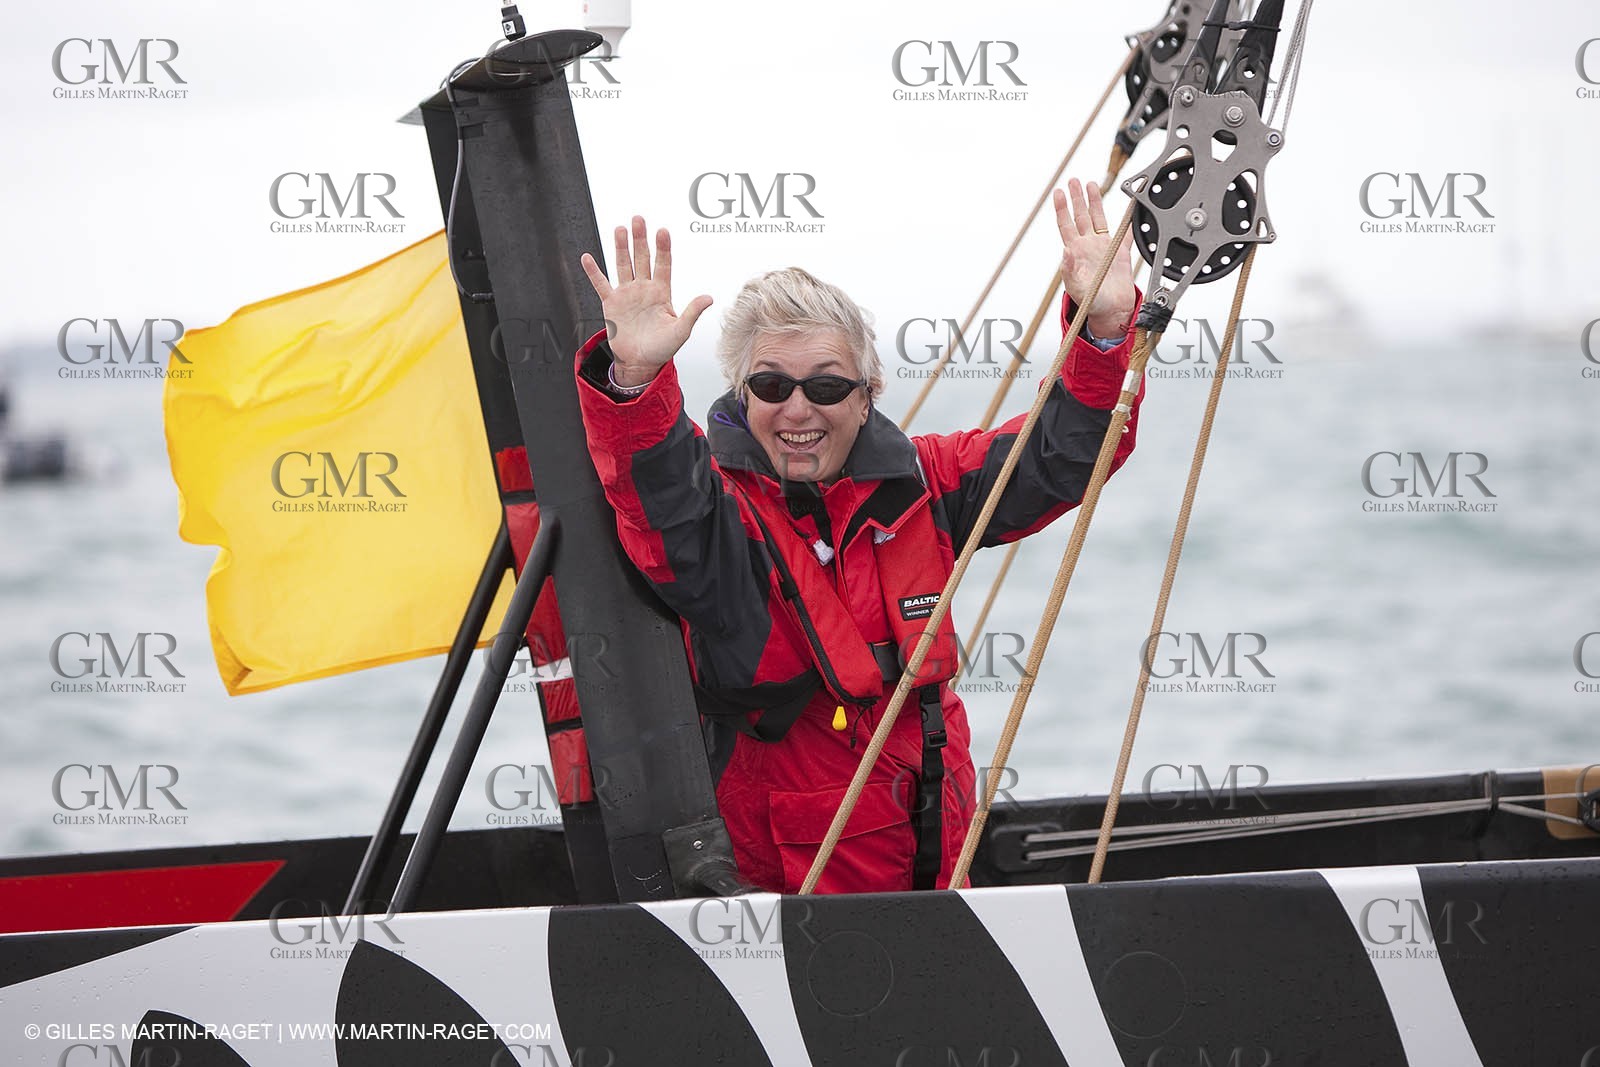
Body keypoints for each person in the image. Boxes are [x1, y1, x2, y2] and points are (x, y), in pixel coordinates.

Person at [574, 179, 1144, 893]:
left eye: (826, 387)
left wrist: (1105, 332)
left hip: (937, 881)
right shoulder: (718, 517)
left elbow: (1062, 458)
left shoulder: (928, 484)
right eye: (771, 386)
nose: (797, 410)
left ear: (868, 394)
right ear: (742, 395)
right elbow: (656, 497)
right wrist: (635, 377)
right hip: (791, 905)